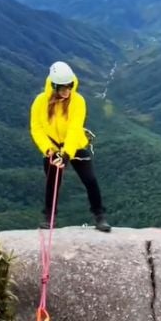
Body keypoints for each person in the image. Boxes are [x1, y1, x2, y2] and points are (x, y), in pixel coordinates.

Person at [30, 61, 111, 232]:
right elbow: (36, 128)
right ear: (53, 86)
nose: (67, 90)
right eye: (63, 87)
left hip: (74, 145)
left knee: (90, 180)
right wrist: (49, 151)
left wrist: (66, 154)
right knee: (53, 182)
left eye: (70, 86)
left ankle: (100, 216)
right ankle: (49, 217)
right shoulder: (40, 102)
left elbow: (75, 129)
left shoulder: (78, 101)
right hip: (52, 147)